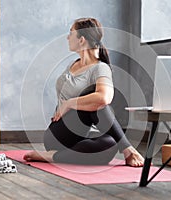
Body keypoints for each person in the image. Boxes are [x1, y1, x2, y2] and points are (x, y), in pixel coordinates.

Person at [23, 17, 144, 167]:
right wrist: (69, 105)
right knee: (95, 98)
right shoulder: (72, 64)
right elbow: (102, 100)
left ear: (81, 40)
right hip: (59, 134)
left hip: (85, 137)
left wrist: (69, 103)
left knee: (110, 144)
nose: (67, 37)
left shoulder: (100, 68)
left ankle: (53, 156)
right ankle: (128, 150)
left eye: (71, 33)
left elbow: (105, 98)